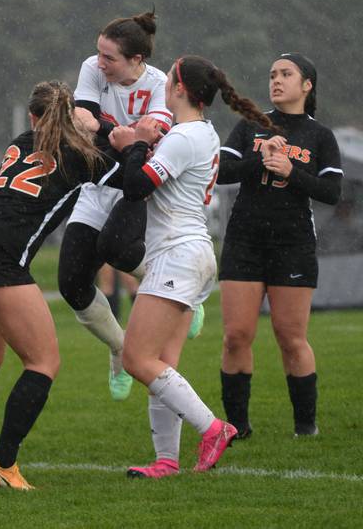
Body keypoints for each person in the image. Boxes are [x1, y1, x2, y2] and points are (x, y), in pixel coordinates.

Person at [0, 80, 121, 490]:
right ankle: (3, 466)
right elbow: (135, 180)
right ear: (74, 116)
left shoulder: (21, 141)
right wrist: (119, 134)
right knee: (43, 363)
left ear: (32, 117)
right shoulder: (82, 155)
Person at [109, 55, 277, 478]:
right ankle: (166, 460)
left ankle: (214, 428)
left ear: (180, 89)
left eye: (168, 78)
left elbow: (135, 187)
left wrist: (135, 145)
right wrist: (144, 143)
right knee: (161, 361)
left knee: (135, 358)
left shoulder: (184, 137)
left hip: (177, 255)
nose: (164, 83)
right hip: (189, 253)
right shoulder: (197, 132)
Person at [56, 11, 185, 403]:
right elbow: (84, 116)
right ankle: (117, 345)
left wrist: (116, 136)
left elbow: (148, 136)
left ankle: (183, 291)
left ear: (136, 61)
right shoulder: (92, 69)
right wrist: (117, 134)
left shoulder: (162, 84)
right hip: (101, 183)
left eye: (109, 58)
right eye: (98, 54)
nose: (99, 63)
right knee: (71, 282)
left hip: (139, 185)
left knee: (120, 251)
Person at [217, 53, 342, 438]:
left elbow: (332, 192)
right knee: (236, 335)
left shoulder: (319, 136)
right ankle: (238, 427)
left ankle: (306, 427)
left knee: (291, 337)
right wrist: (260, 160)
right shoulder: (250, 126)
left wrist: (293, 171)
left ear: (307, 85)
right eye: (272, 74)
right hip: (244, 240)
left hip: (293, 244)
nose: (276, 80)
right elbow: (219, 172)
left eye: (286, 74)